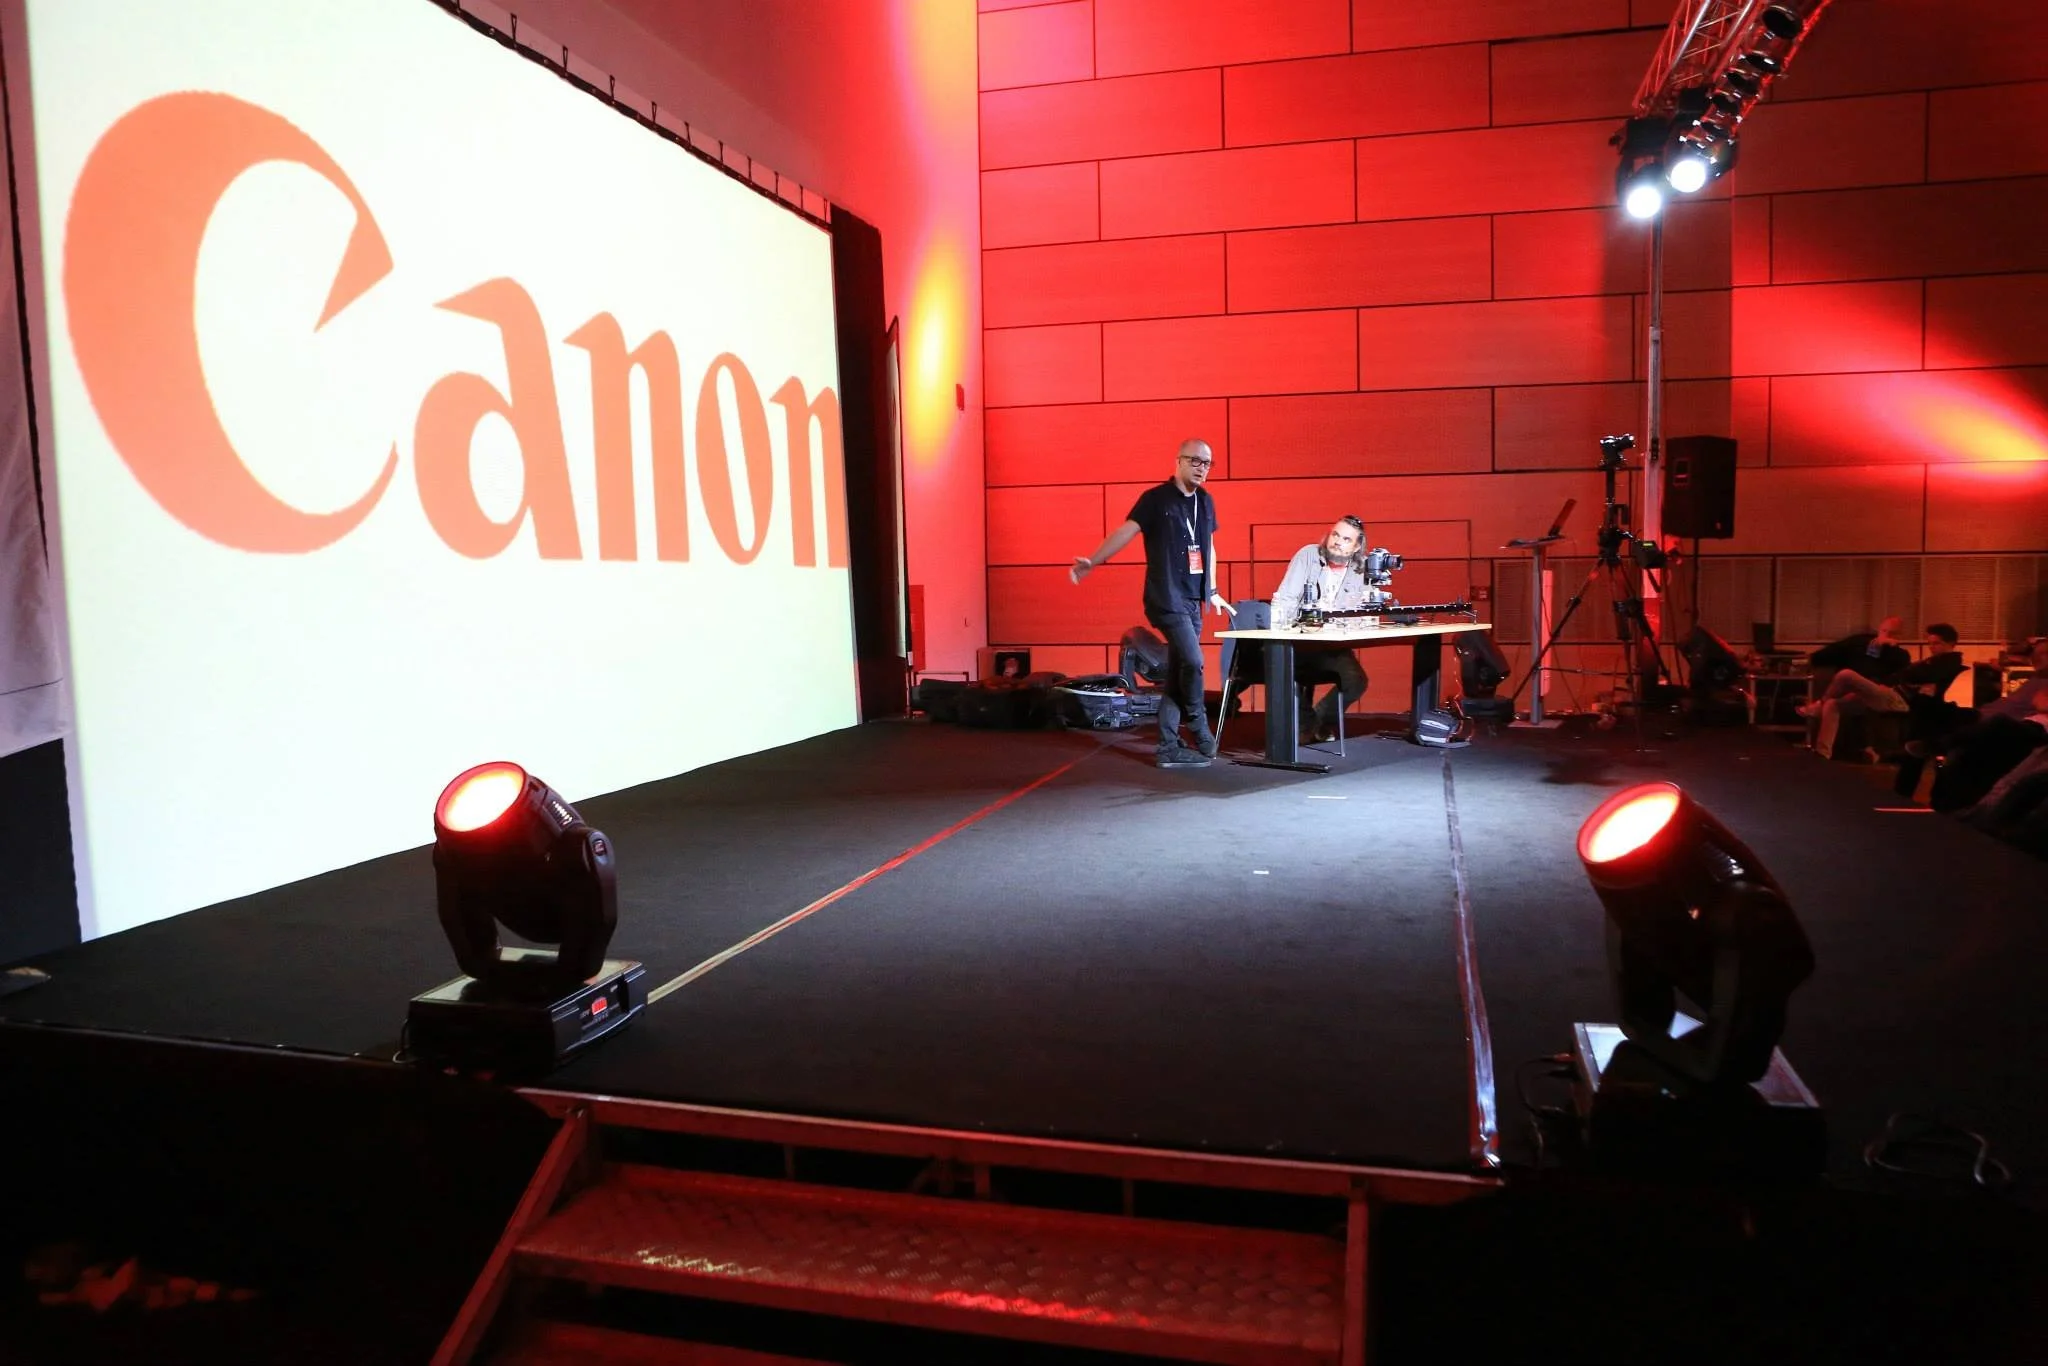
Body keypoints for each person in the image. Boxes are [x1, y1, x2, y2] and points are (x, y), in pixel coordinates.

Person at [1070, 439, 1234, 769]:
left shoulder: (1206, 501)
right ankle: (1200, 726)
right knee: (1193, 661)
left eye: (1208, 464)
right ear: (1179, 461)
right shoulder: (1155, 500)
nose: (1202, 468)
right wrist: (1094, 560)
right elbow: (1125, 531)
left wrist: (1212, 589)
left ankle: (1168, 746)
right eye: (1196, 461)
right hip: (1166, 597)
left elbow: (1209, 547)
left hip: (1193, 600)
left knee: (1177, 672)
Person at [1270, 515, 1374, 742]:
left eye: (1346, 539)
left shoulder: (1361, 568)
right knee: (1290, 673)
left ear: (1356, 546)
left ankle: (1317, 721)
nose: (1337, 541)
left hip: (1333, 646)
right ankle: (1308, 727)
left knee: (1356, 682)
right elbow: (1286, 598)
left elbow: (1362, 610)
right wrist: (1286, 627)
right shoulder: (1308, 555)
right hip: (1300, 642)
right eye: (1335, 535)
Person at [1799, 622, 1967, 759]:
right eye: (1930, 643)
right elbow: (1904, 673)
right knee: (1834, 704)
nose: (1932, 647)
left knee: (1846, 675)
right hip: (1883, 691)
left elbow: (1915, 673)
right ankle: (1823, 753)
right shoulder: (1866, 645)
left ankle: (1817, 706)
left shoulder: (1948, 662)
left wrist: (1898, 667)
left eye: (1936, 643)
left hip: (1899, 698)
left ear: (1950, 643)